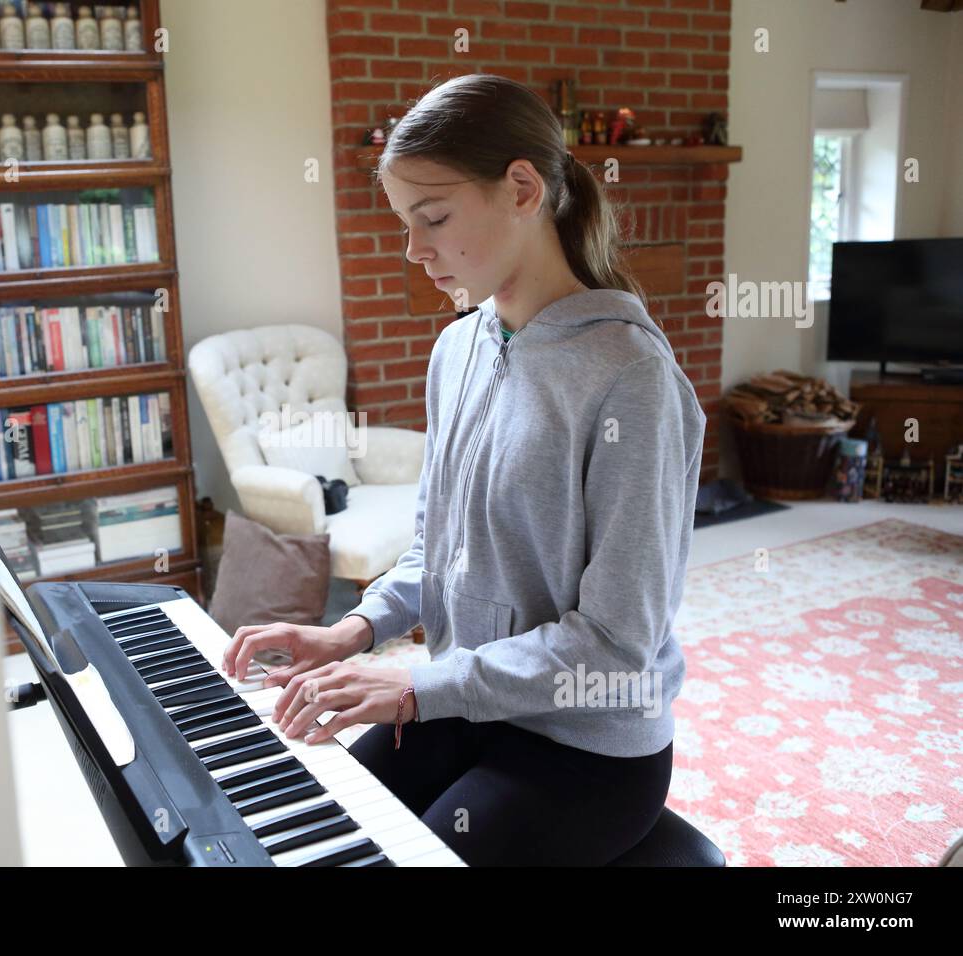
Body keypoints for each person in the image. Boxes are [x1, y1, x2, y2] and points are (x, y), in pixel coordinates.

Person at [222, 73, 706, 866]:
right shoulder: (458, 348)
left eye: (434, 218)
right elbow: (433, 551)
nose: (414, 250)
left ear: (522, 188)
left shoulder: (632, 379)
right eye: (404, 224)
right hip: (467, 705)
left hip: (584, 747)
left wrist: (414, 688)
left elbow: (618, 647)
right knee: (311, 836)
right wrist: (350, 633)